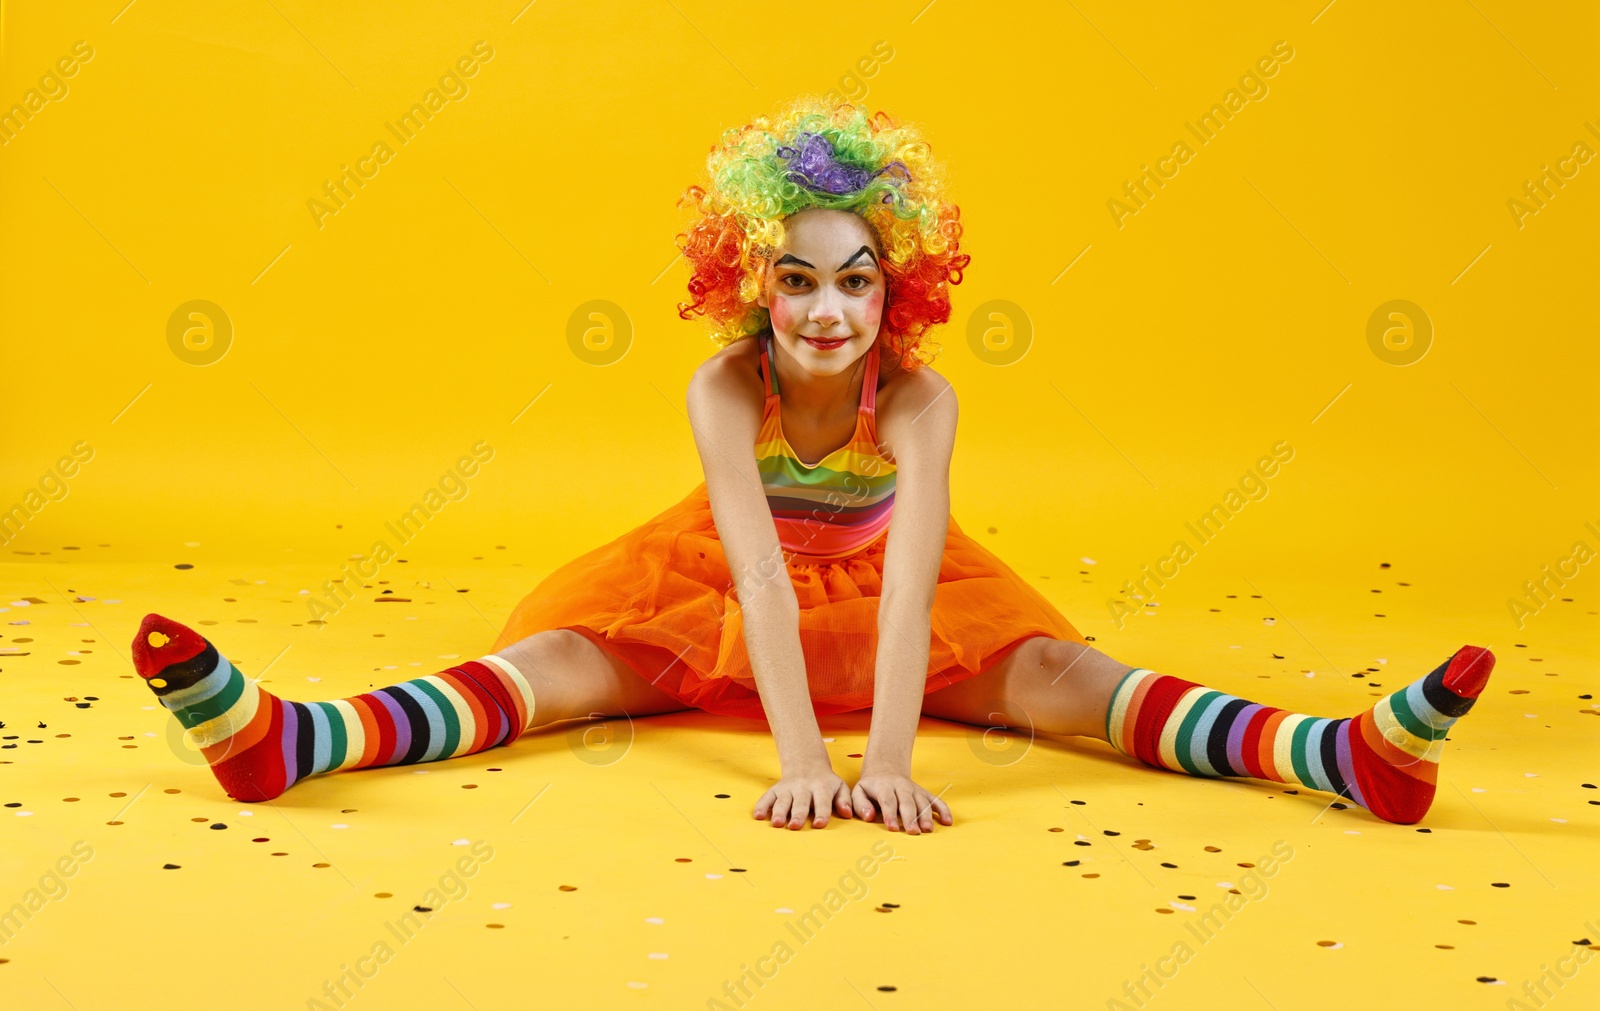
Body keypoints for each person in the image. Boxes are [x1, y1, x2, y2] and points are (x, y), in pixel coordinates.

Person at [129, 95, 1494, 834]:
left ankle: (1337, 755)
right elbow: (752, 585)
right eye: (799, 281)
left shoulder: (922, 403)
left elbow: (910, 593)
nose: (829, 311)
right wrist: (803, 763)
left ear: (899, 290)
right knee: (560, 667)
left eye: (856, 282)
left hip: (890, 592)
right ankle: (297, 739)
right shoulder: (725, 389)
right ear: (752, 288)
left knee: (1065, 677)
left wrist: (888, 759)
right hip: (733, 591)